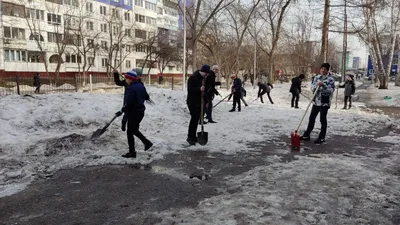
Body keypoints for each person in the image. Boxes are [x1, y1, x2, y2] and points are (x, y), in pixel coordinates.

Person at [115, 70, 153, 158]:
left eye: (126, 78)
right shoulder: (140, 86)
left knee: (130, 131)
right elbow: (147, 97)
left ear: (130, 79)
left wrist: (121, 111)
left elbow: (129, 104)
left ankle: (133, 151)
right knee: (133, 130)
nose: (126, 80)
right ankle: (146, 143)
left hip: (133, 112)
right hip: (140, 112)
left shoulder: (131, 89)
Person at [300, 63, 335, 144]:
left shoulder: (330, 79)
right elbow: (312, 88)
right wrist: (316, 86)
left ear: (328, 70)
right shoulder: (316, 78)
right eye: (322, 68)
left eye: (325, 69)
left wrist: (323, 86)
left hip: (324, 102)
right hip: (316, 101)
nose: (323, 70)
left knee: (322, 119)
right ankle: (306, 134)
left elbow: (330, 91)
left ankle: (322, 137)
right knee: (311, 118)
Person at [186, 64, 210, 145]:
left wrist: (206, 101)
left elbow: (204, 91)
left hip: (199, 102)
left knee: (196, 120)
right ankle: (190, 137)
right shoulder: (193, 77)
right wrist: (199, 89)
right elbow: (190, 89)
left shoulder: (203, 78)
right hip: (192, 102)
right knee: (194, 119)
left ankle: (193, 136)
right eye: (206, 73)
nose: (206, 75)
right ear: (202, 71)